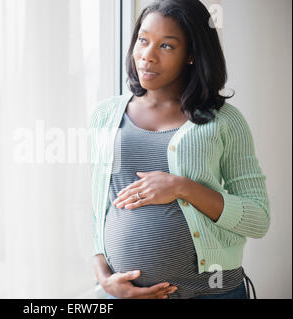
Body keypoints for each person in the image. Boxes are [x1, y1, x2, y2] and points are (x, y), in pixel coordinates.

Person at [89, 0, 269, 299]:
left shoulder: (224, 121)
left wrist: (182, 187)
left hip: (212, 292)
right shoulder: (105, 116)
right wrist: (103, 279)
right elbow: (98, 210)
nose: (147, 56)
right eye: (143, 40)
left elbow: (257, 218)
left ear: (191, 55)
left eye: (167, 46)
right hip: (121, 294)